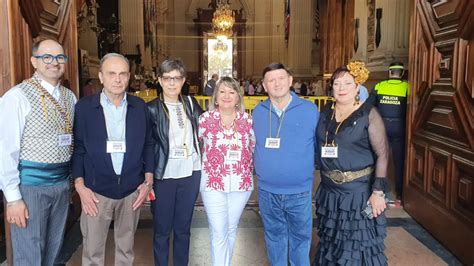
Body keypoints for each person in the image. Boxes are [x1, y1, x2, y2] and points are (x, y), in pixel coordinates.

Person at [72, 53, 154, 265]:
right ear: (101, 77)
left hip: (131, 191)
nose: (117, 79)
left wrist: (148, 181)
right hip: (96, 192)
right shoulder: (84, 108)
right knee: (92, 252)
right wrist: (80, 186)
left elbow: (148, 144)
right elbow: (79, 148)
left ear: (129, 77)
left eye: (122, 74)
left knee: (126, 250)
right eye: (111, 74)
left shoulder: (139, 107)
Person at [0, 39, 76, 265]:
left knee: (54, 250)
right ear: (34, 61)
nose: (54, 62)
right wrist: (13, 198)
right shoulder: (17, 97)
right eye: (47, 57)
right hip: (30, 187)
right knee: (29, 253)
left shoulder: (69, 97)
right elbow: (5, 149)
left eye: (60, 57)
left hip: (62, 185)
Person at [314, 61, 389, 265]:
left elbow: (382, 154)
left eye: (347, 83)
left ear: (357, 87)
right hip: (329, 193)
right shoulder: (326, 112)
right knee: (332, 244)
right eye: (337, 84)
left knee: (356, 247)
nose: (341, 88)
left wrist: (378, 192)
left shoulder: (368, 114)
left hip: (358, 193)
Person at [253, 63, 319, 265]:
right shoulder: (258, 112)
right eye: (271, 80)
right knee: (274, 239)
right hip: (267, 192)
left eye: (281, 78)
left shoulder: (309, 110)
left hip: (299, 191)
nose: (277, 83)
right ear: (264, 85)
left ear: (290, 81)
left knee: (300, 240)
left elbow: (318, 146)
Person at [147, 58, 204, 266]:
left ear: (183, 80)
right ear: (159, 80)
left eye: (177, 78)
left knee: (183, 228)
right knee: (162, 230)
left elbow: (208, 127)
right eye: (167, 78)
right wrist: (147, 176)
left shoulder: (190, 104)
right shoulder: (151, 109)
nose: (172, 83)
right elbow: (147, 145)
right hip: (164, 175)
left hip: (190, 173)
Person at [199, 77, 255, 266]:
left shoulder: (247, 120)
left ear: (238, 97)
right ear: (215, 97)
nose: (227, 96)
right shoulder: (205, 120)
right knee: (218, 231)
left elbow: (253, 147)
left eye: (232, 92)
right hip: (213, 183)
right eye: (222, 91)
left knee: (231, 229)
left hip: (241, 183)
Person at [374, 62, 409, 202]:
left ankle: (377, 188)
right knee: (399, 159)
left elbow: (370, 106)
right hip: (399, 126)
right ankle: (400, 192)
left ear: (389, 72)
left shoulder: (379, 86)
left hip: (381, 126)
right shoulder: (407, 87)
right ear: (402, 73)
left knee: (379, 157)